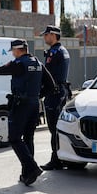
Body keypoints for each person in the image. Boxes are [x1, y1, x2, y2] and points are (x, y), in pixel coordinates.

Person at [0, 39, 55, 186]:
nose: (12, 54)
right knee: (28, 138)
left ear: (18, 50)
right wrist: (37, 96)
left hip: (21, 106)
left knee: (14, 138)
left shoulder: (19, 64)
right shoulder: (38, 63)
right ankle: (27, 175)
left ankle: (32, 167)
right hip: (33, 105)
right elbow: (51, 85)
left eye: (13, 51)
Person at [39, 25, 70, 171]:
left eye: (46, 35)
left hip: (54, 93)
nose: (44, 38)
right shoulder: (63, 51)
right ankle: (60, 157)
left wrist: (40, 91)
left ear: (53, 35)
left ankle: (56, 159)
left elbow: (48, 76)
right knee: (57, 127)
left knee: (54, 128)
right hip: (60, 91)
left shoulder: (54, 53)